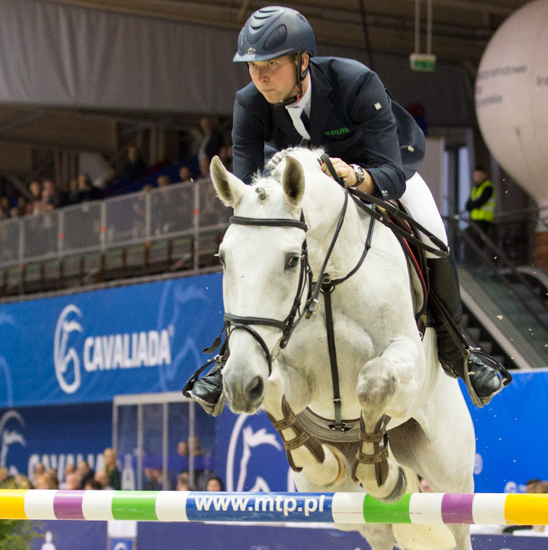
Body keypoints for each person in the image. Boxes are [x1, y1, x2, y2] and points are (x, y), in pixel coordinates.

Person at [187, 5, 508, 414]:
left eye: (271, 64)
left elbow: (391, 169)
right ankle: (229, 354)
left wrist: (353, 176)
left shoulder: (353, 82)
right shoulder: (249, 103)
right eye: (253, 67)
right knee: (255, 246)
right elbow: (253, 190)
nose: (260, 76)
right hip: (302, 187)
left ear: (303, 61)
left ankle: (460, 351)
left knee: (431, 231)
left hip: (377, 168)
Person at [463, 165, 497, 245]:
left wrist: (473, 204)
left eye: (479, 175)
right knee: (473, 243)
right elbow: (468, 206)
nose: (477, 178)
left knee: (480, 244)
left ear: (484, 175)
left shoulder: (488, 187)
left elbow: (479, 203)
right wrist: (474, 204)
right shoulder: (475, 189)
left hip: (484, 221)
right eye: (475, 176)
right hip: (475, 221)